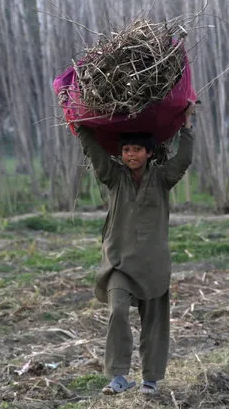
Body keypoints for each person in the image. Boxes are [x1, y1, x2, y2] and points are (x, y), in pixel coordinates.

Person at [74, 101, 195, 395]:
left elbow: (184, 160)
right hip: (118, 263)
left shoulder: (162, 178)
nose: (131, 155)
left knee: (154, 323)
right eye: (126, 150)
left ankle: (150, 380)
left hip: (153, 264)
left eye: (137, 150)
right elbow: (95, 153)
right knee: (117, 312)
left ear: (149, 153)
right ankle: (118, 376)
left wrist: (188, 126)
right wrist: (79, 122)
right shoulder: (114, 178)